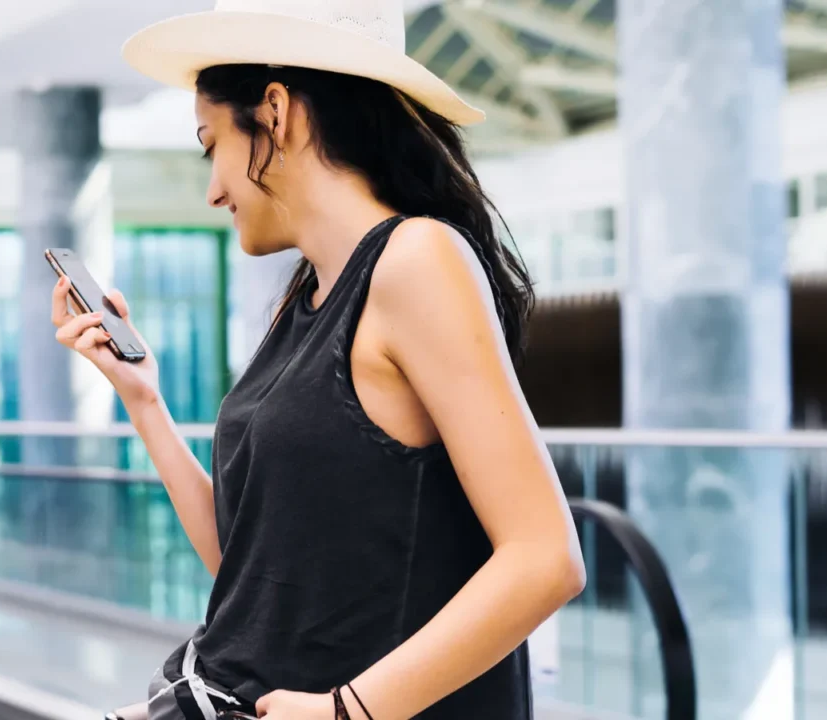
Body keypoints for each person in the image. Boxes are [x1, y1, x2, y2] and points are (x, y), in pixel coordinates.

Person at [52, 1, 586, 718]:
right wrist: (143, 399)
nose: (212, 189)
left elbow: (544, 556)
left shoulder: (417, 262)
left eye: (211, 144)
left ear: (276, 113)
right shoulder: (307, 296)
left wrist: (348, 710)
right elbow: (250, 575)